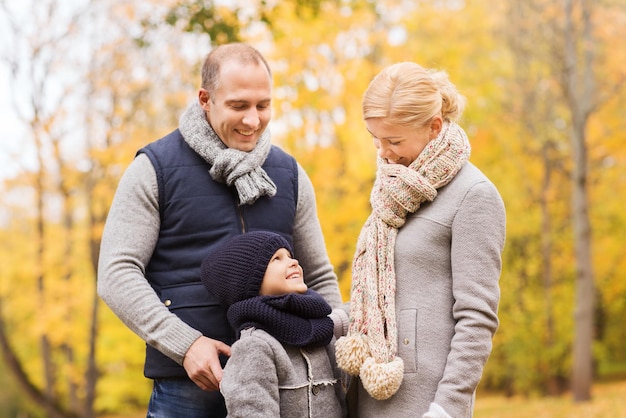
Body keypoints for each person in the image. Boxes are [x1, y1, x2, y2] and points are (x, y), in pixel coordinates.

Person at [97, 43, 345, 417]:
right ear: (205, 99)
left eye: (263, 105)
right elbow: (116, 274)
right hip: (189, 388)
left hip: (284, 386)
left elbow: (320, 276)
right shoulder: (155, 169)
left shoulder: (289, 173)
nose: (253, 121)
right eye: (239, 106)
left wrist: (337, 351)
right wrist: (186, 344)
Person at [334, 62, 506, 417]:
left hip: (424, 403)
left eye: (394, 140)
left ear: (434, 127)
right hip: (368, 391)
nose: (382, 152)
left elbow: (477, 317)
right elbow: (380, 297)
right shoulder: (394, 190)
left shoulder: (474, 195)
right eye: (376, 139)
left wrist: (447, 408)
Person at [200, 230, 347, 417]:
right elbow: (251, 412)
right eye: (276, 259)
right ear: (251, 283)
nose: (293, 262)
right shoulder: (255, 346)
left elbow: (343, 401)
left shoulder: (321, 331)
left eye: (289, 256)